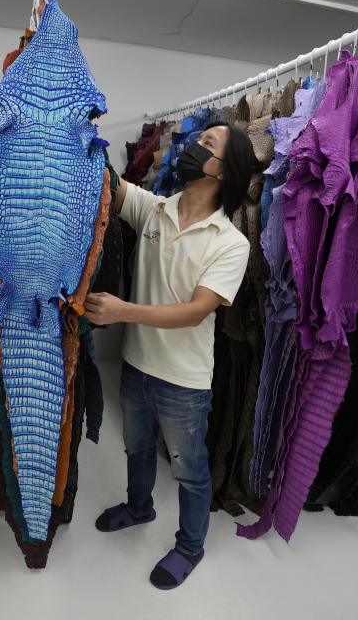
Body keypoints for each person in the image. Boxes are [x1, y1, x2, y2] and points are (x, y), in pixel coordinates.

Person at [84, 121, 254, 589]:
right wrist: (82, 131)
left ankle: (189, 547)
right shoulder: (156, 210)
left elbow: (197, 311)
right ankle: (139, 508)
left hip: (184, 380)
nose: (192, 147)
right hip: (138, 366)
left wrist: (122, 311)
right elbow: (109, 184)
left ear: (224, 169)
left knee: (189, 470)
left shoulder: (230, 243)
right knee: (137, 449)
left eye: (207, 144)